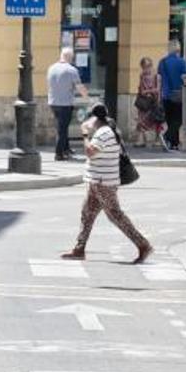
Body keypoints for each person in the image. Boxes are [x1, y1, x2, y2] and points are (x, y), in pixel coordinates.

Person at [61, 103, 152, 264]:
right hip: (98, 181)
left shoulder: (103, 133)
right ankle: (79, 248)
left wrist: (84, 135)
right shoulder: (107, 130)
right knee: (87, 214)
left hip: (103, 182)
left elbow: (90, 152)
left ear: (95, 119)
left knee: (115, 215)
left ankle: (143, 244)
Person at [47, 49, 88, 161]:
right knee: (63, 129)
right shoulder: (71, 70)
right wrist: (86, 97)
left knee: (61, 127)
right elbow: (79, 87)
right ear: (70, 57)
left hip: (53, 102)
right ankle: (58, 154)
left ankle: (66, 149)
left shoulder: (51, 68)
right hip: (65, 103)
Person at [158, 40, 186, 150]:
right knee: (178, 120)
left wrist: (159, 95)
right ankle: (166, 136)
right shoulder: (181, 62)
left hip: (165, 95)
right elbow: (185, 78)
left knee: (170, 120)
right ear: (178, 49)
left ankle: (174, 144)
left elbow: (159, 79)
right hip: (178, 95)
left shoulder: (162, 62)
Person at [134, 56, 167, 149]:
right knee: (141, 120)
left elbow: (158, 90)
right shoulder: (142, 76)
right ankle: (141, 139)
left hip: (153, 101)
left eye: (148, 66)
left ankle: (157, 139)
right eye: (144, 66)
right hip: (143, 102)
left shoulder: (157, 76)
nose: (146, 69)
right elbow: (141, 90)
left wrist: (149, 92)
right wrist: (146, 91)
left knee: (156, 120)